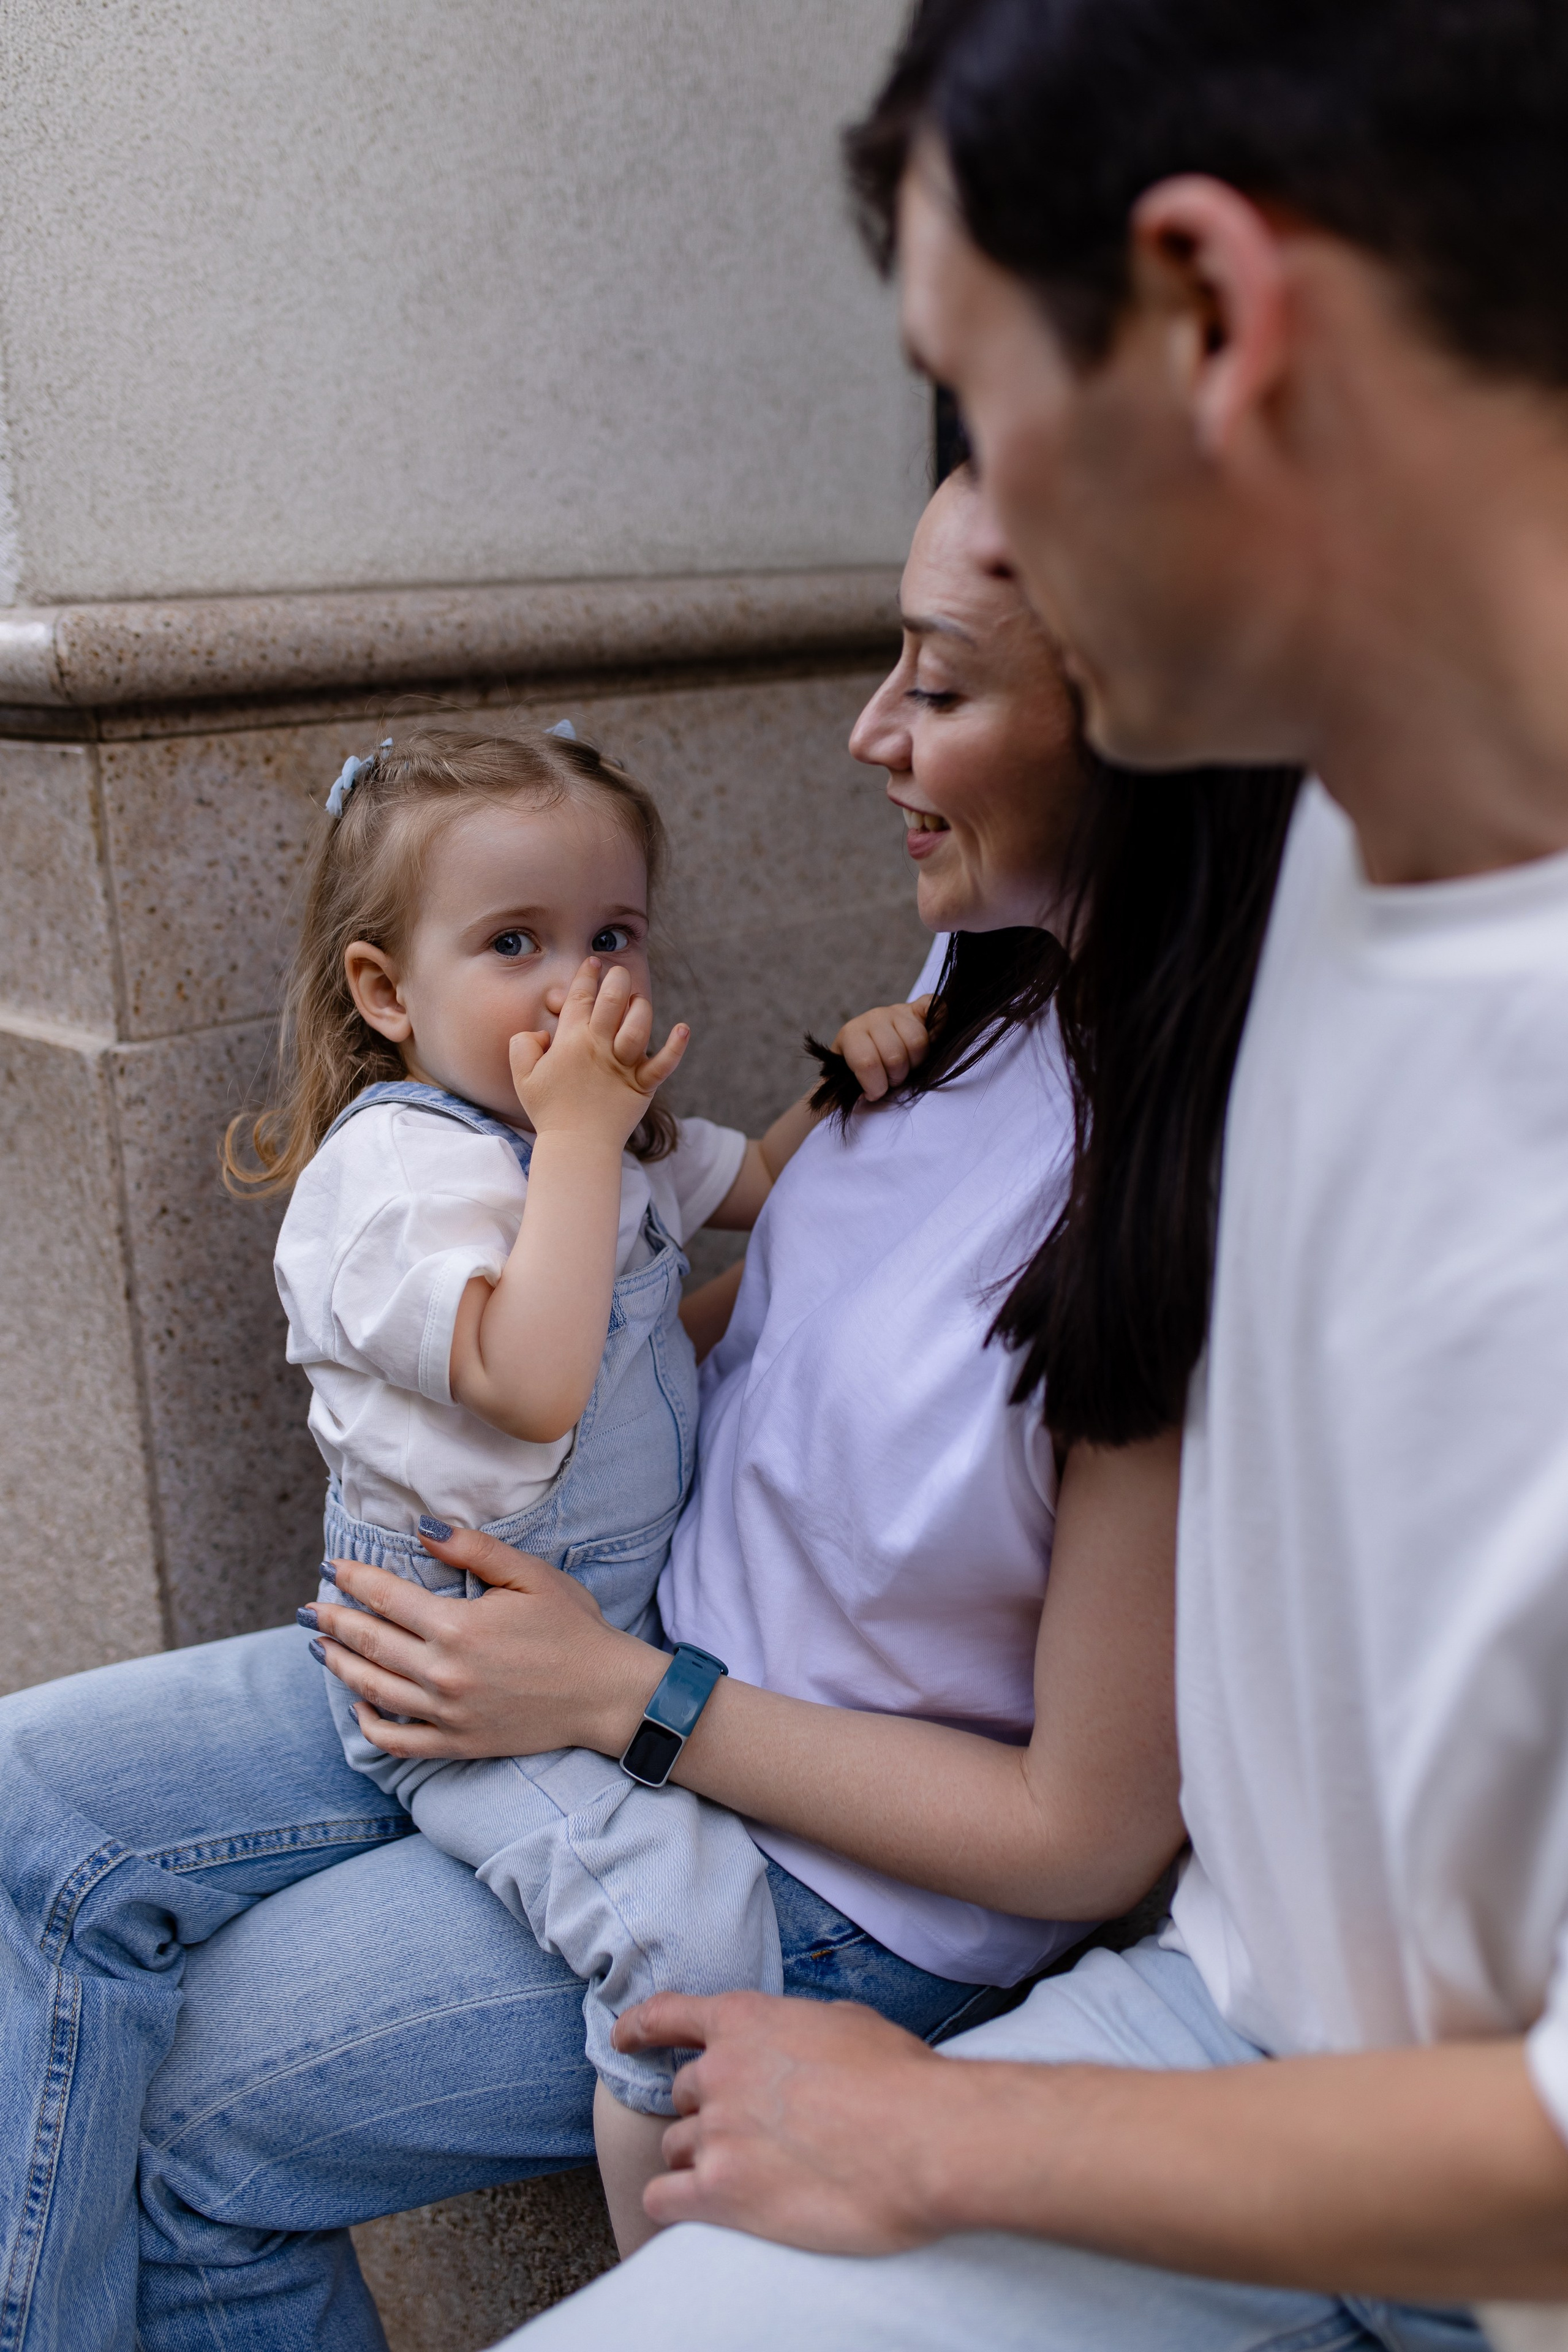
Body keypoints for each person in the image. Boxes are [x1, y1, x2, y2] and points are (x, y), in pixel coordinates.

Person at [496, 3, 1568, 2346]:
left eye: (978, 403)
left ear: (1211, 321)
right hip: (1215, 2032)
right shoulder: (1305, 891)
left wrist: (932, 2121)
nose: (972, 515)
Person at [2, 467, 1276, 2351]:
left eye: (938, 680)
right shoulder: (976, 982)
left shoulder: (1191, 1182)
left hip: (821, 1863)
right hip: (586, 1651)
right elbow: (794, 1322)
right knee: (32, 1814)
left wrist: (620, 1698)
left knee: (183, 2131)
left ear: (1146, 729)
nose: (867, 732)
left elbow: (1084, 1837)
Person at [232, 720, 936, 2250]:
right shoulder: (392, 1188)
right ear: (384, 993)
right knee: (691, 1943)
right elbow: (533, 1376)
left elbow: (767, 1192)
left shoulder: (592, 1138)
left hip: (599, 1638)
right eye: (511, 943)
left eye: (609, 935)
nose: (576, 983)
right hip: (463, 1679)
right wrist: (579, 1136)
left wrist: (858, 1075)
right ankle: (664, 2287)